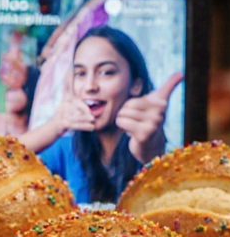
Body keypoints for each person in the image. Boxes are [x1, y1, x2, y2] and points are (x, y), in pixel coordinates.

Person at [20, 26, 182, 204]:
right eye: (80, 73)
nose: (90, 86)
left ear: (136, 85)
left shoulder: (156, 149)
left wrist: (152, 154)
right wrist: (54, 126)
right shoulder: (63, 151)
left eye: (106, 72)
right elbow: (1, 162)